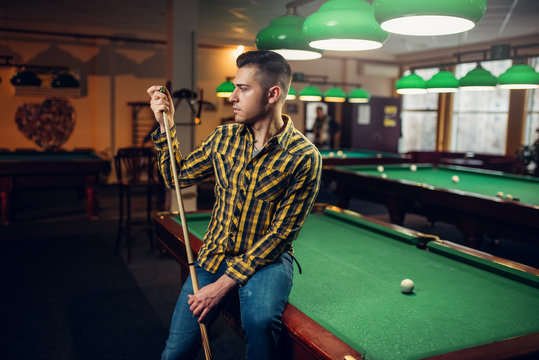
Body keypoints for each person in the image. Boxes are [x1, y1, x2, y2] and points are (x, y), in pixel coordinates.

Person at [147, 50, 322, 360]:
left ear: (273, 94)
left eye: (243, 88)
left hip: (267, 261)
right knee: (173, 353)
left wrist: (224, 284)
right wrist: (166, 125)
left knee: (260, 322)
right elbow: (177, 177)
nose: (232, 97)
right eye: (234, 87)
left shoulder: (304, 156)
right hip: (213, 257)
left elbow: (283, 232)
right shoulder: (223, 137)